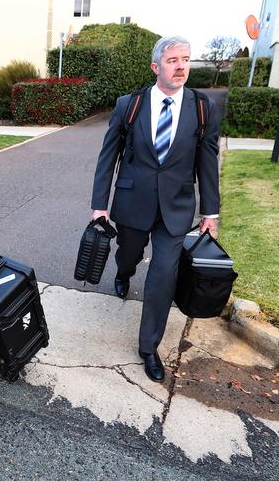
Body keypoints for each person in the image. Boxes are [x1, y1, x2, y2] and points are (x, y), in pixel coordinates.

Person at [90, 36, 220, 383]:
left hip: (176, 208)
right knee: (128, 253)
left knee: (164, 274)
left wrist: (211, 214)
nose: (181, 66)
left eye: (186, 59)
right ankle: (123, 273)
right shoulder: (128, 105)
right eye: (173, 60)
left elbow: (207, 163)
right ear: (155, 66)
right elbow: (109, 157)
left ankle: (149, 347)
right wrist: (99, 206)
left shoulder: (203, 108)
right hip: (133, 201)